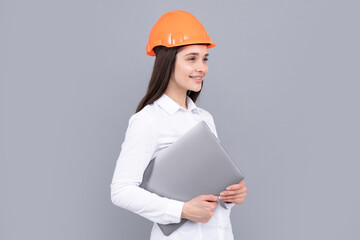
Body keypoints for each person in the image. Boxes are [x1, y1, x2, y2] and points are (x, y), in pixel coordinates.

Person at [111, 10, 247, 240]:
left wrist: (232, 196)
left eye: (205, 59)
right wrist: (182, 210)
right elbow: (121, 191)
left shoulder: (204, 118)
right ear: (167, 61)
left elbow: (210, 190)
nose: (201, 68)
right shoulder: (147, 120)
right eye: (191, 58)